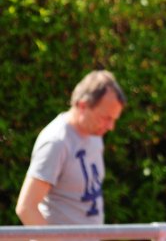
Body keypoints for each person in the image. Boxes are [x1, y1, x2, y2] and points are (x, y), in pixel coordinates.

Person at [15, 70, 126, 225]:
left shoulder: (95, 135)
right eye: (106, 118)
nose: (111, 126)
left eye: (114, 119)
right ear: (82, 106)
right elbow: (26, 208)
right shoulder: (56, 142)